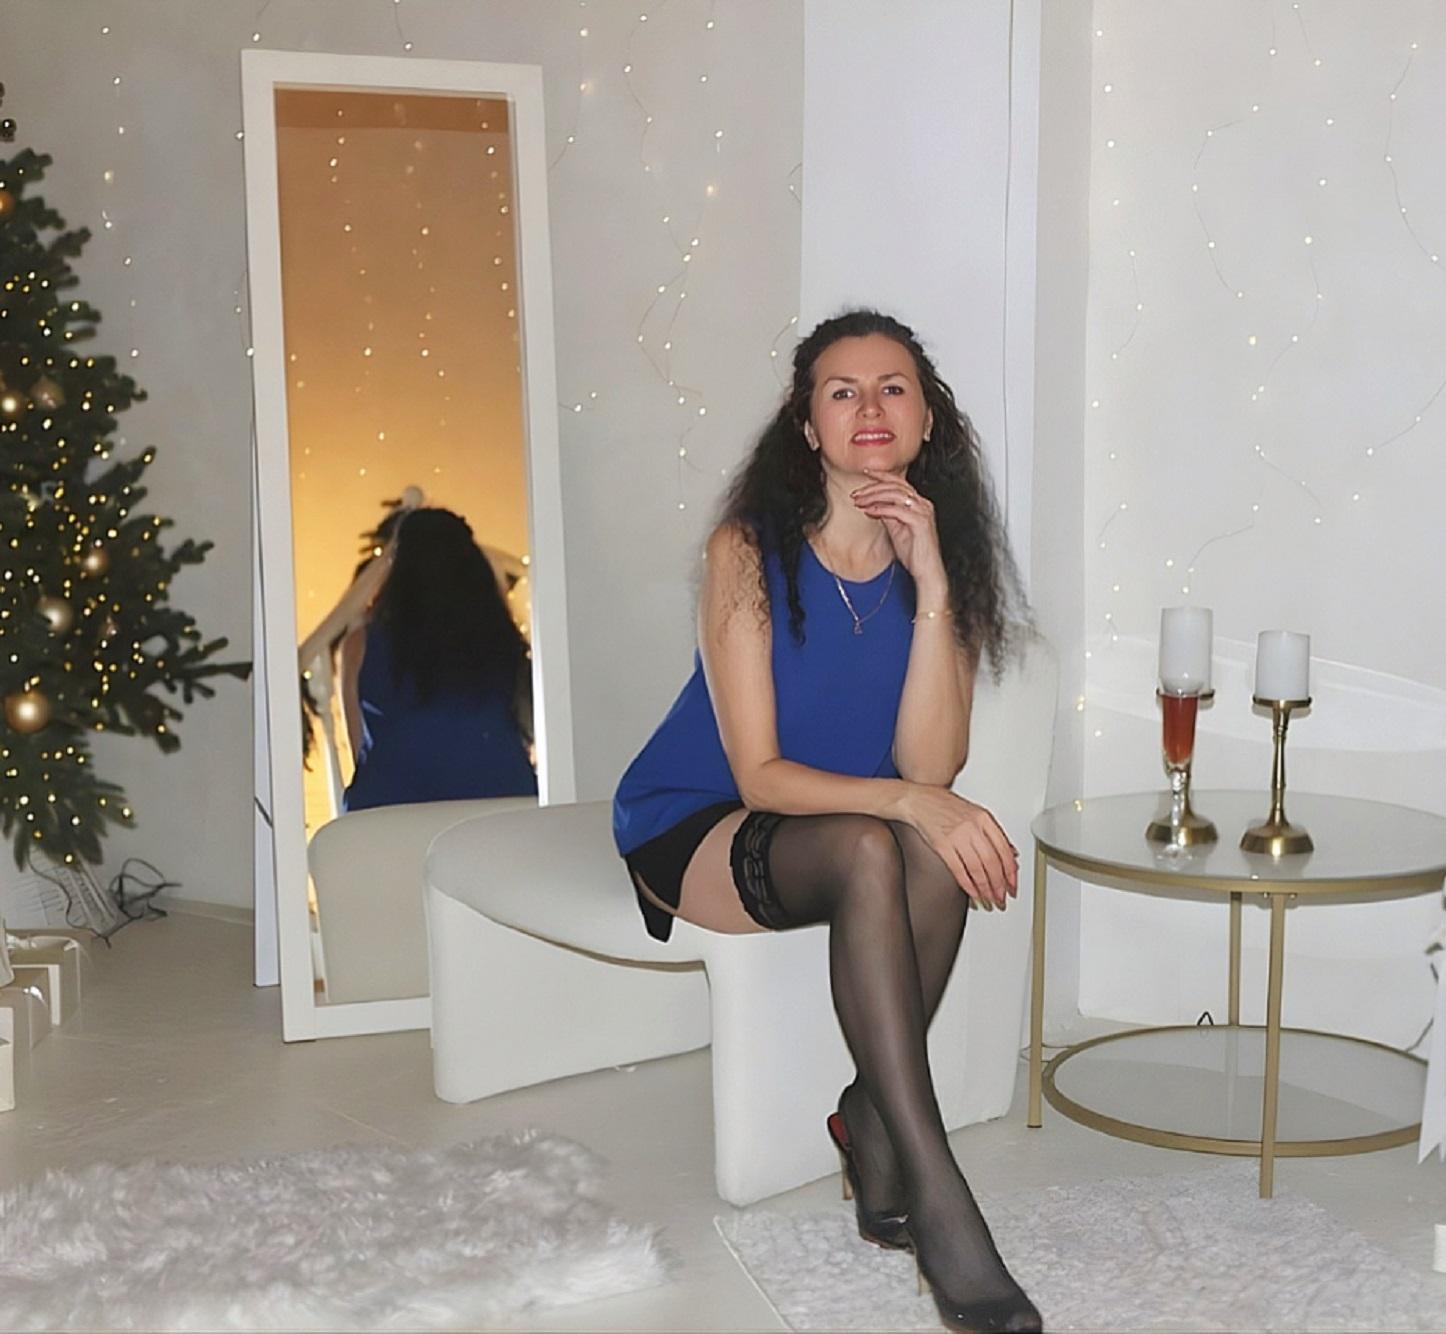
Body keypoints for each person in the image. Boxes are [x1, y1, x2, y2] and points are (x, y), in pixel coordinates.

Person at [613, 310, 1039, 1332]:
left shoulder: (945, 563)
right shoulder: (747, 551)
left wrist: (931, 580)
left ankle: (870, 1119)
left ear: (926, 419)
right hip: (698, 818)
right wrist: (908, 800)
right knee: (878, 840)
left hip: (846, 822)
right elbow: (759, 776)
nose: (868, 407)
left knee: (914, 844)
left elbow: (930, 766)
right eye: (841, 391)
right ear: (809, 427)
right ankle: (931, 1185)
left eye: (892, 387)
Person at [339, 506, 537, 812]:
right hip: (500, 804)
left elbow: (361, 751)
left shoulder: (361, 646)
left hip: (392, 811)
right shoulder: (502, 642)